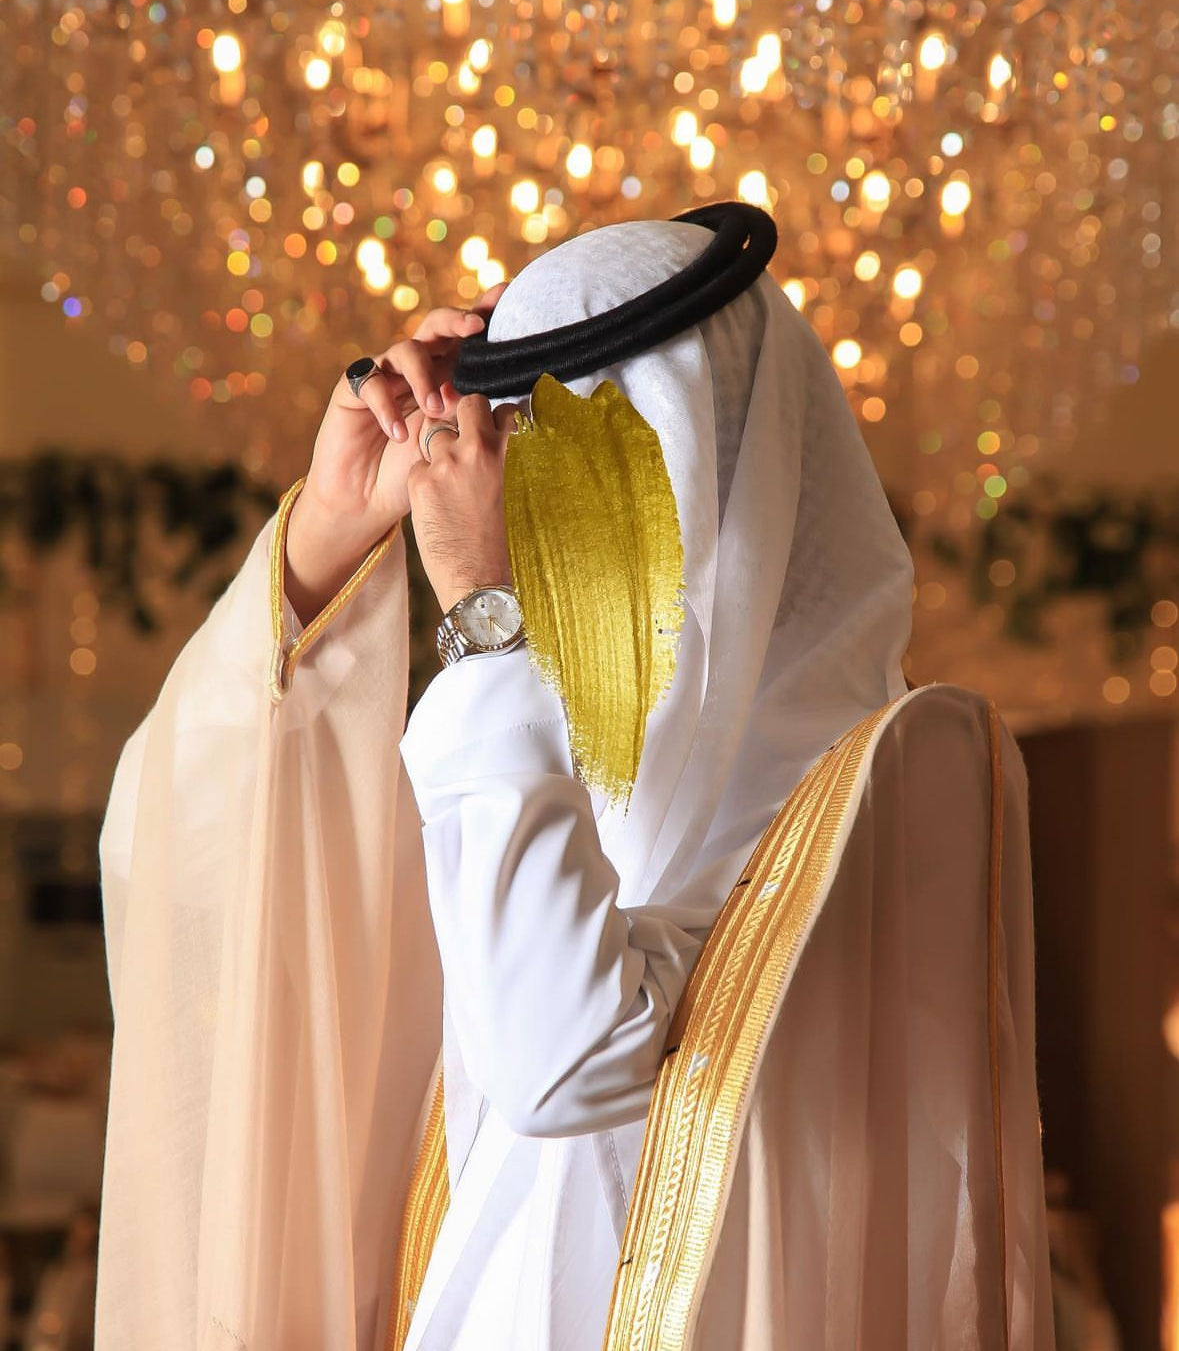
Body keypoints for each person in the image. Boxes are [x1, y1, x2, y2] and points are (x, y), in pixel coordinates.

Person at [94, 212, 1055, 1349]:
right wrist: (331, 534)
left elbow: (564, 1060)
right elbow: (197, 844)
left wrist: (482, 616)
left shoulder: (884, 782)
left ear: (722, 472)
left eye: (603, 465)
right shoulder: (529, 750)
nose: (556, 526)